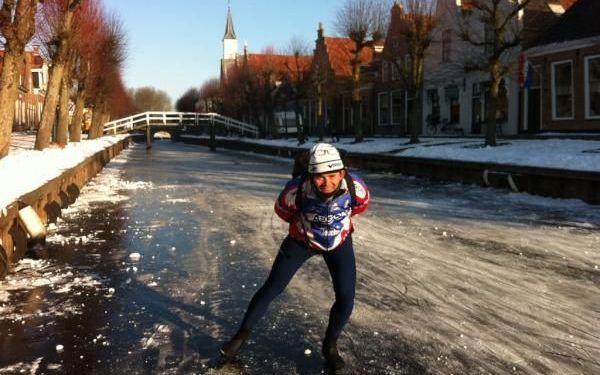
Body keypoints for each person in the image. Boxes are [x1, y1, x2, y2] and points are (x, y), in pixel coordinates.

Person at [220, 143, 370, 370]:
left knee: (346, 296)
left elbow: (360, 206)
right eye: (319, 177)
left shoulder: (355, 187)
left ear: (342, 173)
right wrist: (306, 228)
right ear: (310, 175)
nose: (327, 182)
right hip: (302, 241)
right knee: (272, 288)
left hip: (339, 243)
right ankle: (240, 337)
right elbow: (283, 210)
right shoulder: (295, 190)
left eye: (332, 175)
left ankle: (330, 345)